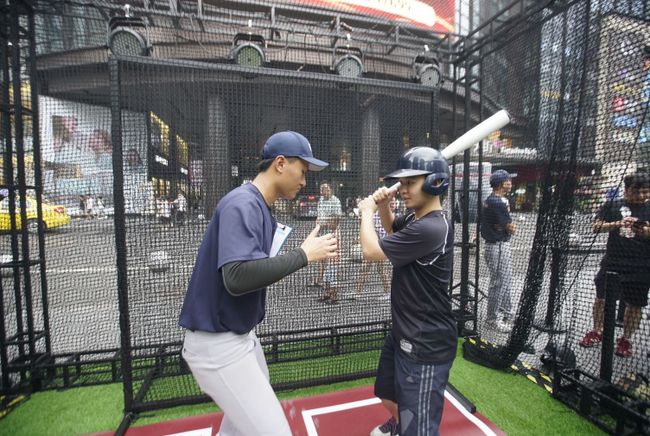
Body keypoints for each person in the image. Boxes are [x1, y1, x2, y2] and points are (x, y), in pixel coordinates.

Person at [178, 131, 336, 436]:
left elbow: (253, 272)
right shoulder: (243, 203)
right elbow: (237, 277)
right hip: (218, 343)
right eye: (303, 171)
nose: (305, 181)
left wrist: (298, 257)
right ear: (280, 163)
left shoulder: (258, 205)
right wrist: (304, 255)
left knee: (237, 431)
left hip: (236, 336)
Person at [358, 147, 456, 436]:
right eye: (401, 183)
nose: (402, 189)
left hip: (425, 344)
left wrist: (367, 212)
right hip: (403, 333)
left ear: (435, 182)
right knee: (387, 392)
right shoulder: (415, 220)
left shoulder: (432, 228)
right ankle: (400, 425)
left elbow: (371, 251)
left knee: (419, 428)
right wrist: (384, 205)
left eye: (410, 182)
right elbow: (391, 228)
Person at [579, 173, 650, 358]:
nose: (641, 196)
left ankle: (625, 339)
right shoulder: (614, 205)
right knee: (601, 298)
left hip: (641, 264)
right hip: (613, 261)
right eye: (636, 191)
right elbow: (597, 227)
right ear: (626, 190)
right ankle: (598, 331)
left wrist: (645, 231)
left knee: (635, 304)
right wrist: (619, 223)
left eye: (645, 192)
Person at [481, 169, 517, 333]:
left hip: (497, 245)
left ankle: (507, 312)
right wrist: (507, 222)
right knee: (499, 282)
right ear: (503, 183)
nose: (511, 183)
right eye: (509, 181)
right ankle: (492, 319)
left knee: (506, 279)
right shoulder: (497, 202)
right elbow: (512, 229)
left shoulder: (492, 200)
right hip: (498, 246)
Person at [354, 197, 396, 300]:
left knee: (381, 270)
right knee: (364, 269)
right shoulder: (374, 213)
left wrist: (362, 221)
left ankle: (388, 292)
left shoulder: (381, 214)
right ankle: (358, 291)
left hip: (380, 246)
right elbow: (370, 231)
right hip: (374, 245)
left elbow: (375, 231)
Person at [309, 181, 342, 287]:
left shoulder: (335, 201)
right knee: (321, 259)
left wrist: (323, 224)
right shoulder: (321, 200)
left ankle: (332, 283)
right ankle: (320, 280)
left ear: (331, 190)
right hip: (321, 233)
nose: (324, 191)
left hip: (331, 233)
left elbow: (337, 219)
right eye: (322, 189)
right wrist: (317, 223)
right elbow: (319, 215)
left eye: (326, 189)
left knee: (332, 259)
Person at [317, 227, 342, 304]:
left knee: (333, 280)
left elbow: (332, 247)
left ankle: (334, 297)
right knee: (326, 278)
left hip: (334, 262)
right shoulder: (332, 233)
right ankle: (327, 293)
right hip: (330, 261)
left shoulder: (336, 234)